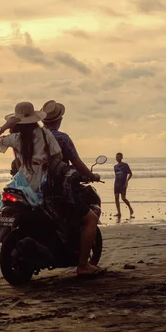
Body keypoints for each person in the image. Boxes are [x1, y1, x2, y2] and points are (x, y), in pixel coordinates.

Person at [0, 102, 62, 257]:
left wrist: (6, 125)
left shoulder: (15, 138)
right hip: (41, 178)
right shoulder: (45, 133)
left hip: (22, 179)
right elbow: (58, 155)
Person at [41, 100, 105, 277]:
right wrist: (91, 176)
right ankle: (83, 265)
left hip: (35, 190)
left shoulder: (35, 136)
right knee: (90, 219)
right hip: (58, 191)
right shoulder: (61, 138)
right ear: (59, 119)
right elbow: (76, 162)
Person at [113, 153, 134, 219]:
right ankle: (119, 213)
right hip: (116, 184)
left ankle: (130, 208)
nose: (117, 158)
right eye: (116, 156)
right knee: (116, 198)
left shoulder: (125, 165)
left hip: (123, 184)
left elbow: (130, 174)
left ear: (121, 157)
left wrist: (127, 181)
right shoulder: (115, 166)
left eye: (118, 156)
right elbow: (116, 176)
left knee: (123, 198)